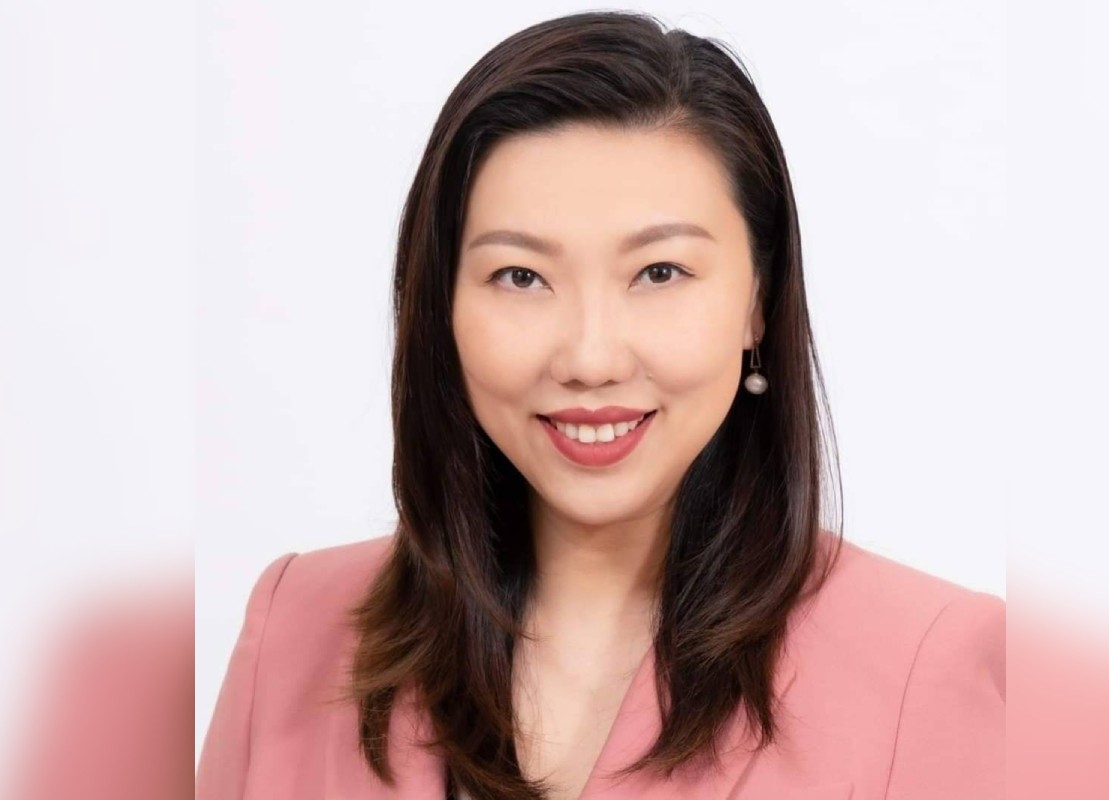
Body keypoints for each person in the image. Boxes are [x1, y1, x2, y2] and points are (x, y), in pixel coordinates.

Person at [196, 10, 1004, 800]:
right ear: (442, 305)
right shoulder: (295, 627)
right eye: (521, 276)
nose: (590, 359)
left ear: (758, 301)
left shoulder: (927, 665)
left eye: (659, 273)